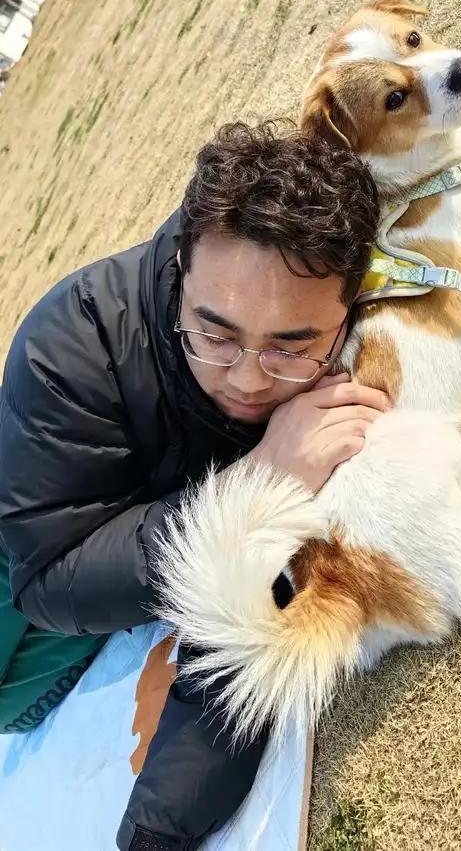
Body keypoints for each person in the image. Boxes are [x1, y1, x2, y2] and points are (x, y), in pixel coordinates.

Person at [0, 121, 388, 850]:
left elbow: (240, 606)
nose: (248, 378)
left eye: (292, 346)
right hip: (19, 626)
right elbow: (48, 579)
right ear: (182, 268)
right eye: (215, 334)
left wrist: (153, 834)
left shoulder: (344, 365)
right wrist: (257, 483)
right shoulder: (65, 351)